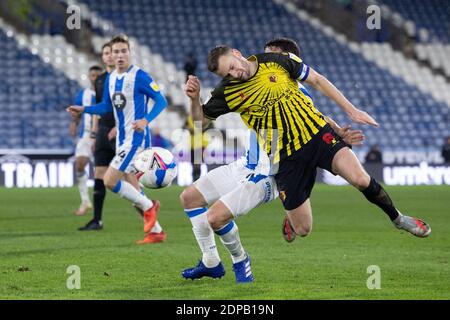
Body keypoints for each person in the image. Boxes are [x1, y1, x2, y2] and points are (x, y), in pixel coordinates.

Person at [192, 45, 431, 260]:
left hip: (318, 136)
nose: (234, 74)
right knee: (303, 229)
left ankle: (399, 219)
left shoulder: (276, 61)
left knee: (360, 179)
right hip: (287, 157)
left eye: (233, 67)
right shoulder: (227, 92)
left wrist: (351, 110)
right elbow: (200, 122)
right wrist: (194, 99)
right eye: (227, 74)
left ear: (236, 53)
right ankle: (291, 217)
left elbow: (317, 80)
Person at [180, 38, 365, 283]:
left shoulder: (295, 90)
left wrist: (339, 131)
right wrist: (194, 99)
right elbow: (200, 124)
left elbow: (318, 118)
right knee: (189, 198)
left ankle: (241, 261)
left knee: (216, 217)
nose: (262, 62)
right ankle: (211, 261)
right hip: (246, 164)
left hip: (268, 171)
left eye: (272, 57)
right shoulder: (243, 85)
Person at [67, 34, 168, 244]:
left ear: (130, 53)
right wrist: (84, 109)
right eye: (116, 52)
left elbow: (161, 100)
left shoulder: (140, 76)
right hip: (123, 139)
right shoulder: (111, 79)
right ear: (110, 56)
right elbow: (106, 107)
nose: (120, 55)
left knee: (110, 180)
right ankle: (156, 231)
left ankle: (150, 207)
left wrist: (146, 120)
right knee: (132, 187)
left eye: (124, 51)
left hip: (136, 139)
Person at [78, 42, 116, 231]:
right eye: (106, 53)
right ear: (102, 57)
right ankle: (97, 220)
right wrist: (94, 134)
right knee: (99, 174)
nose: (109, 56)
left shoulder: (123, 77)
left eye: (112, 52)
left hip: (119, 131)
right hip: (103, 131)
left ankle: (149, 215)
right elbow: (101, 108)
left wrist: (119, 125)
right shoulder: (100, 80)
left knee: (127, 177)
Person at [70, 65, 102, 216]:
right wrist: (74, 123)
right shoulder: (84, 94)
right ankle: (85, 201)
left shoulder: (106, 92)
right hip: (87, 134)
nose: (94, 77)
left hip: (104, 134)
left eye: (97, 75)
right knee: (80, 164)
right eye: (92, 75)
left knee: (108, 173)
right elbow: (77, 111)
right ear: (89, 77)